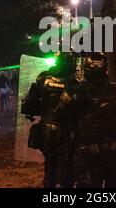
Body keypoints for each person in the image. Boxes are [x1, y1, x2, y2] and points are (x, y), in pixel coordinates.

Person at [55, 52, 116, 188]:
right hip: (115, 152)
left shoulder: (74, 93)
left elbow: (59, 117)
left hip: (86, 154)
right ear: (106, 70)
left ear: (85, 70)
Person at [21, 52, 80, 188]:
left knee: (50, 164)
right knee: (67, 166)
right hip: (67, 131)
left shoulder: (43, 79)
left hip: (46, 130)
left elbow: (29, 105)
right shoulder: (75, 82)